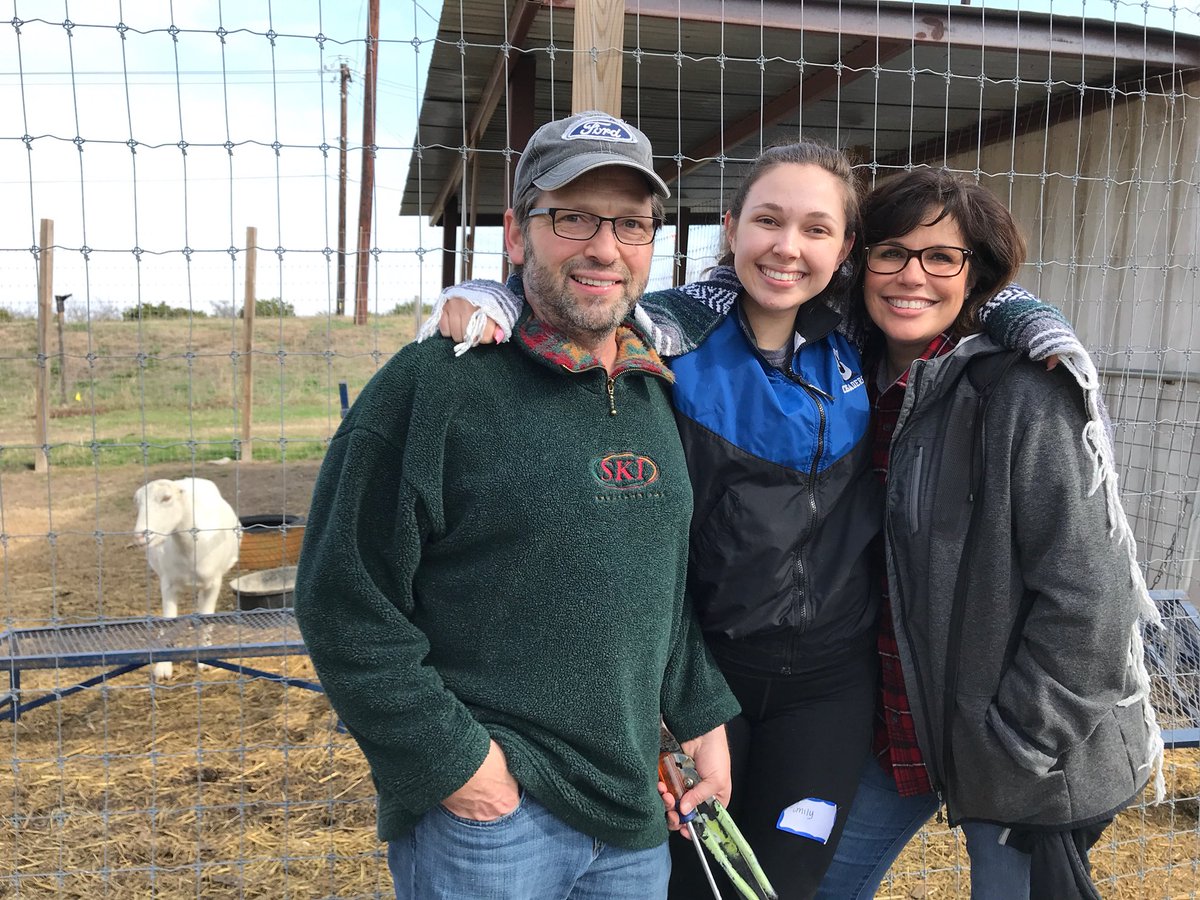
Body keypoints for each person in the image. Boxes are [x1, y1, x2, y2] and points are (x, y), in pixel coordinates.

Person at [429, 143, 1085, 899]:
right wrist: (497, 292)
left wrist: (1036, 320)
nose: (787, 247)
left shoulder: (858, 340)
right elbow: (581, 297)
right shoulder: (665, 337)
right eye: (768, 221)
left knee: (788, 880)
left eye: (816, 229)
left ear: (843, 251)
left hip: (829, 693)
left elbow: (959, 287)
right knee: (696, 884)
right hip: (706, 686)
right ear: (733, 227)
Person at [292, 110, 740, 900]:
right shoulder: (436, 386)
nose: (605, 246)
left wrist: (700, 718)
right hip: (494, 826)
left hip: (634, 816)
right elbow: (343, 599)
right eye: (572, 217)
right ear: (515, 232)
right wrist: (461, 768)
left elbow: (658, 593)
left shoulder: (648, 389)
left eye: (632, 224)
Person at [812, 169, 1163, 900]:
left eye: (942, 257)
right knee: (817, 884)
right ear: (860, 262)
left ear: (976, 275)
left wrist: (1023, 743)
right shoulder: (846, 379)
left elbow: (1091, 602)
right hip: (895, 722)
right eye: (891, 252)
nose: (913, 276)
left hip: (1013, 746)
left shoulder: (1024, 394)